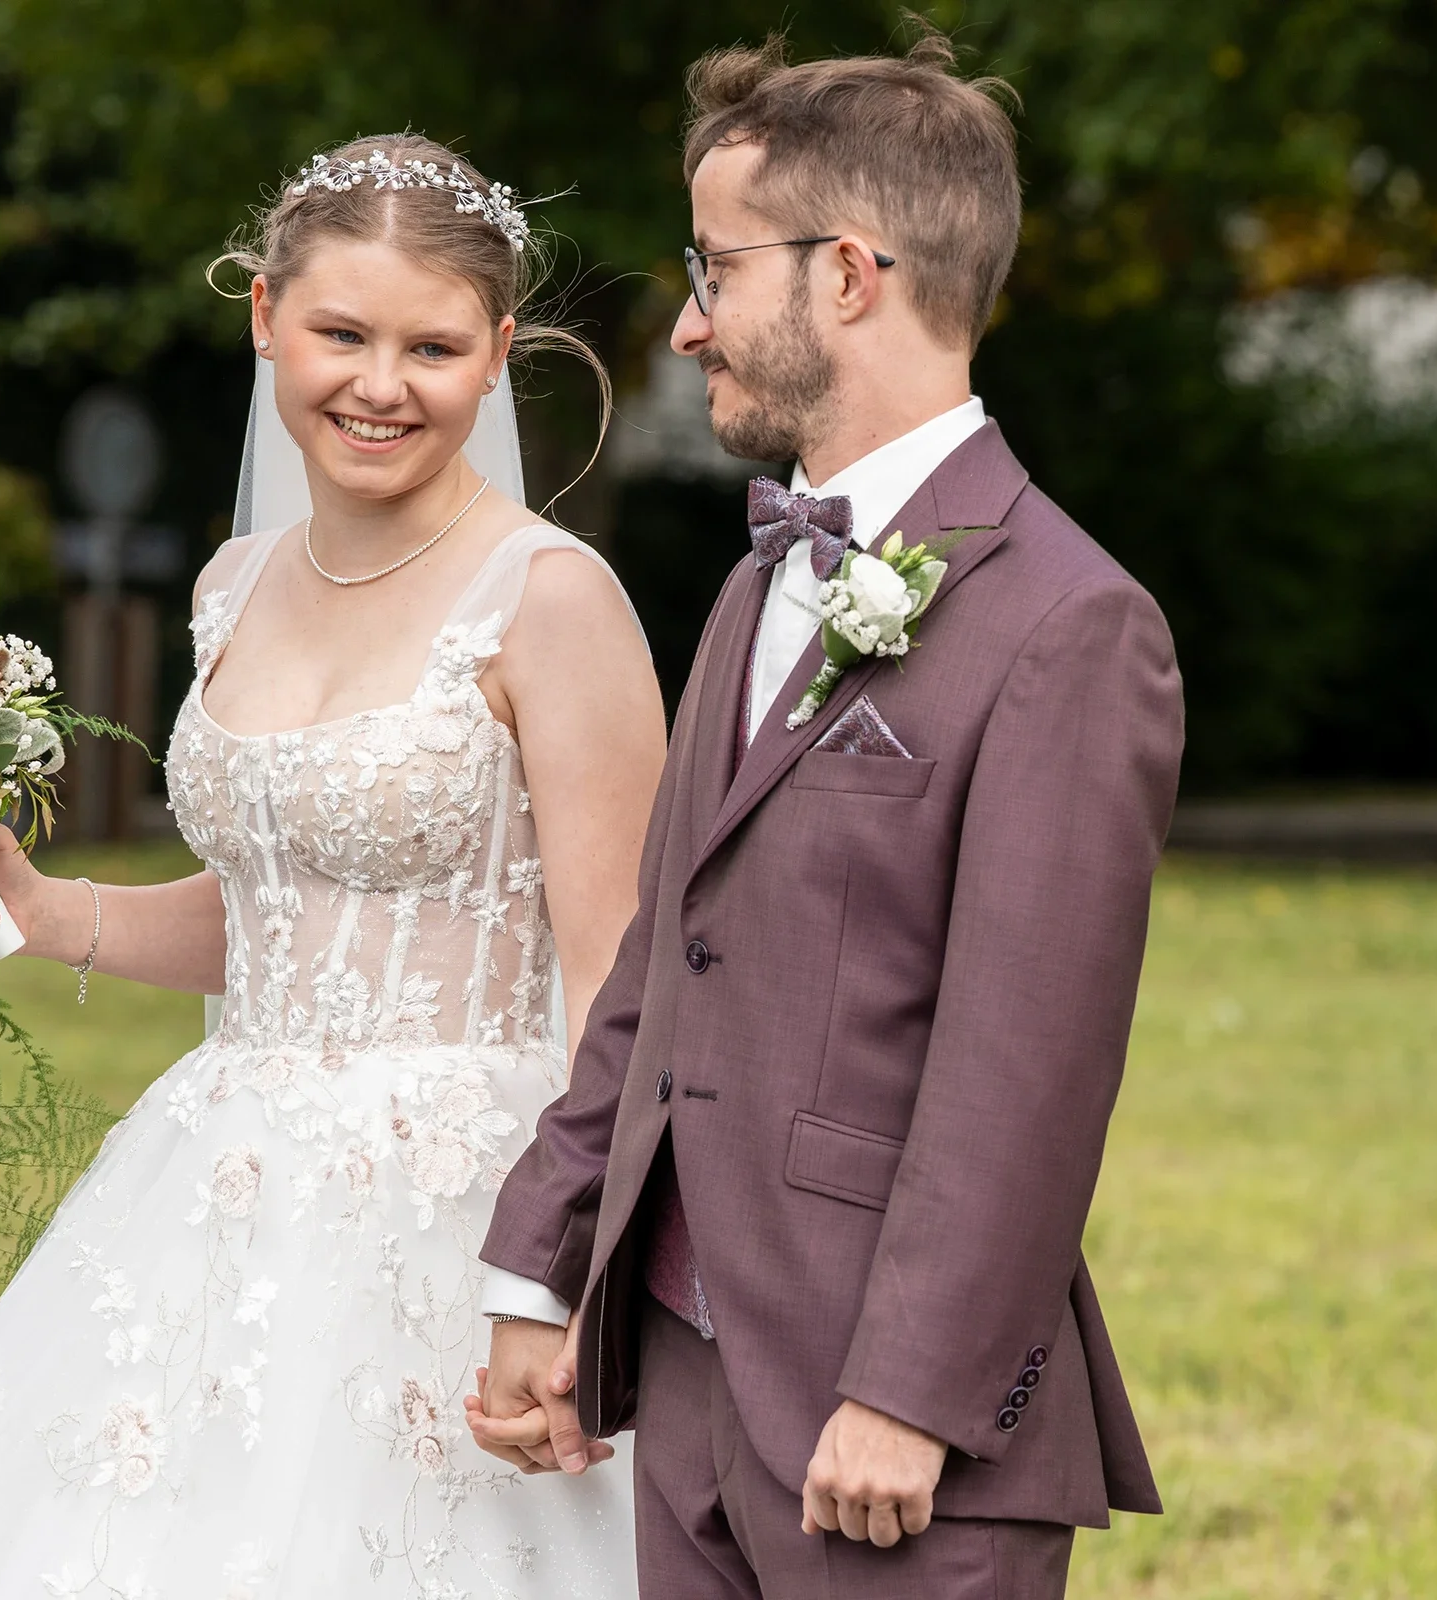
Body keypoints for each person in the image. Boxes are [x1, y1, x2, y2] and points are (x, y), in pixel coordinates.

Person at [0, 133, 664, 1599]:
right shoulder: (232, 583)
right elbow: (285, 914)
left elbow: (617, 977)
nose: (380, 385)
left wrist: (564, 1275)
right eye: (340, 333)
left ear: (497, 355)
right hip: (224, 1171)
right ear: (265, 315)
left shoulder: (553, 602)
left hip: (466, 1201)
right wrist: (49, 911)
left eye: (433, 347)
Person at [467, 30, 1183, 1600]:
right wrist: (545, 1265)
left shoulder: (1070, 625)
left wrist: (914, 1394)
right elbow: (666, 966)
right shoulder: (750, 587)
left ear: (847, 275)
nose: (685, 321)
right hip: (694, 1376)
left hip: (887, 1425)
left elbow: (1030, 1062)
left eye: (715, 270)